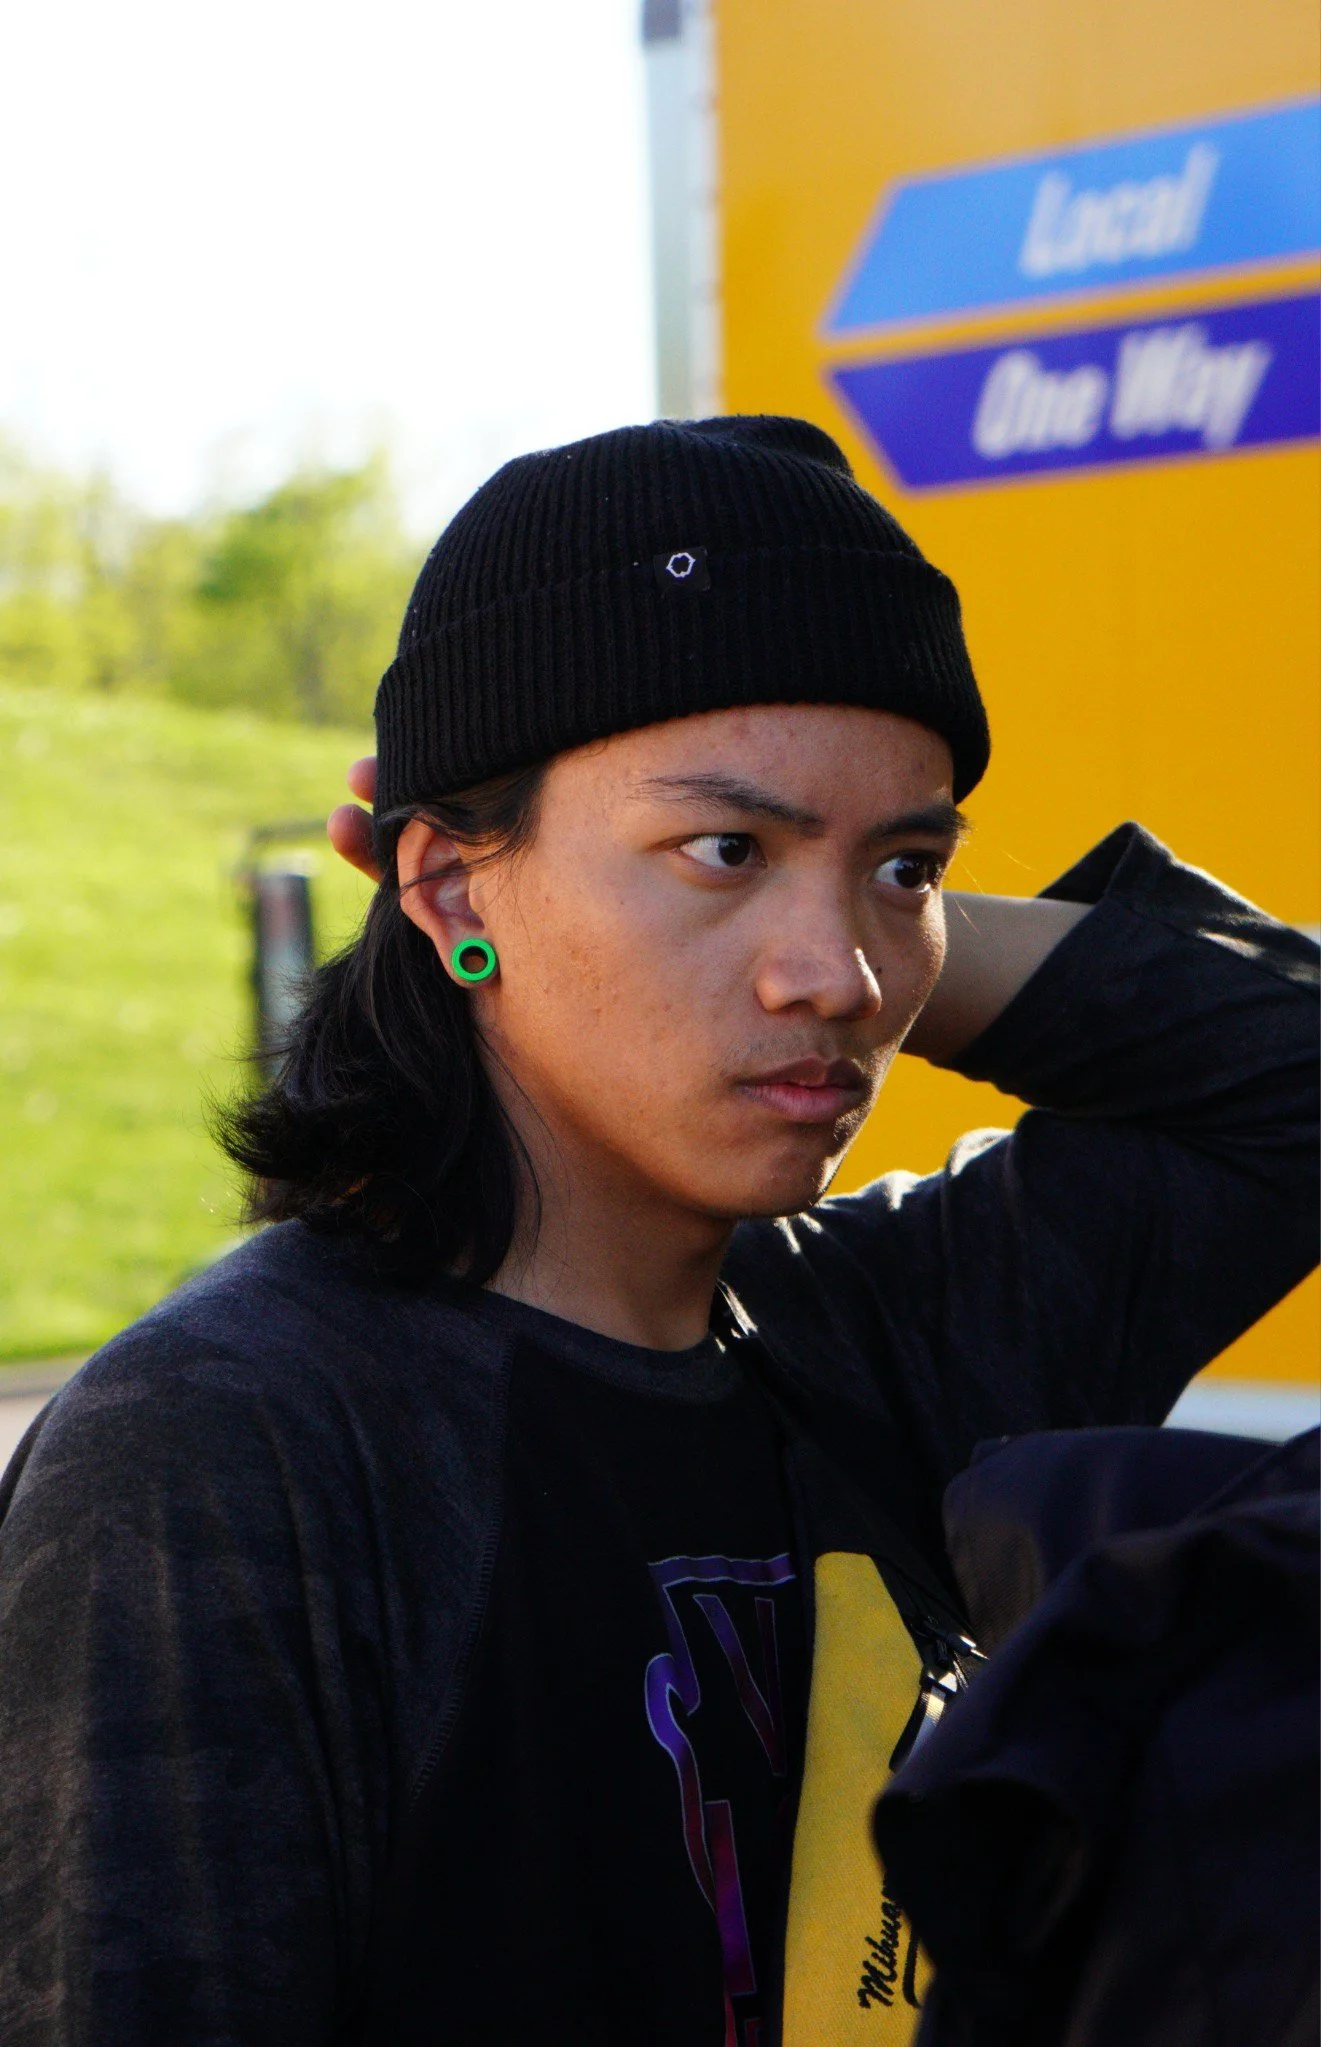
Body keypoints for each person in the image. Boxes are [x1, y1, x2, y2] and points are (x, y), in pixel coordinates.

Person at [0, 415, 1315, 2047]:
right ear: (454, 890)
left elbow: (1293, 1081)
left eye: (907, 866)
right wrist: (828, 872)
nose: (833, 977)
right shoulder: (228, 1446)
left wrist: (836, 884)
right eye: (721, 849)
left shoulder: (878, 1334)